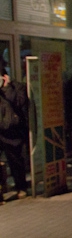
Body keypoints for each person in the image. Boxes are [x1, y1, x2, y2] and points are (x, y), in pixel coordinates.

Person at [0, 58, 30, 194]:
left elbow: (19, 103)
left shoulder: (17, 87)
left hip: (12, 131)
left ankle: (21, 187)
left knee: (15, 161)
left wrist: (7, 88)